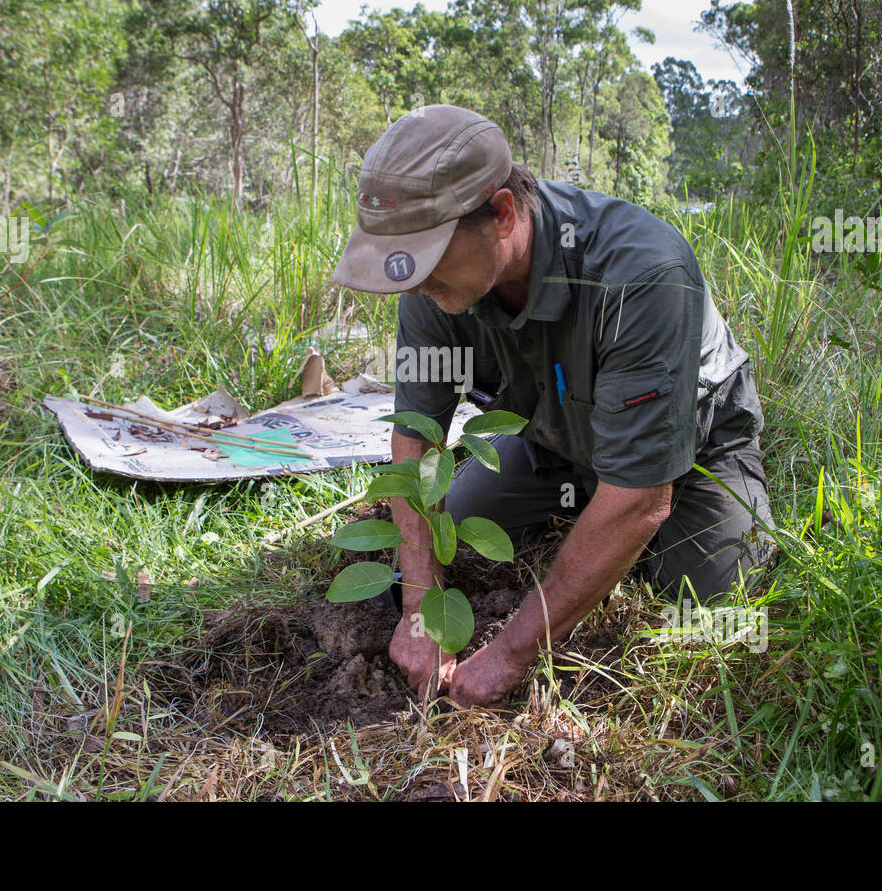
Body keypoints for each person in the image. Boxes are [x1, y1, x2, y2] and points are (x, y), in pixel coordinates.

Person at [332, 105, 777, 708]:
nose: (412, 284)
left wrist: (508, 655)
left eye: (429, 256)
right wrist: (419, 609)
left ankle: (645, 521)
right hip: (553, 441)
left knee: (710, 602)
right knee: (450, 540)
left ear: (503, 215)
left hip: (691, 453)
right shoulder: (431, 292)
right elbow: (416, 445)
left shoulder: (642, 274)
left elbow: (642, 498)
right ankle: (586, 512)